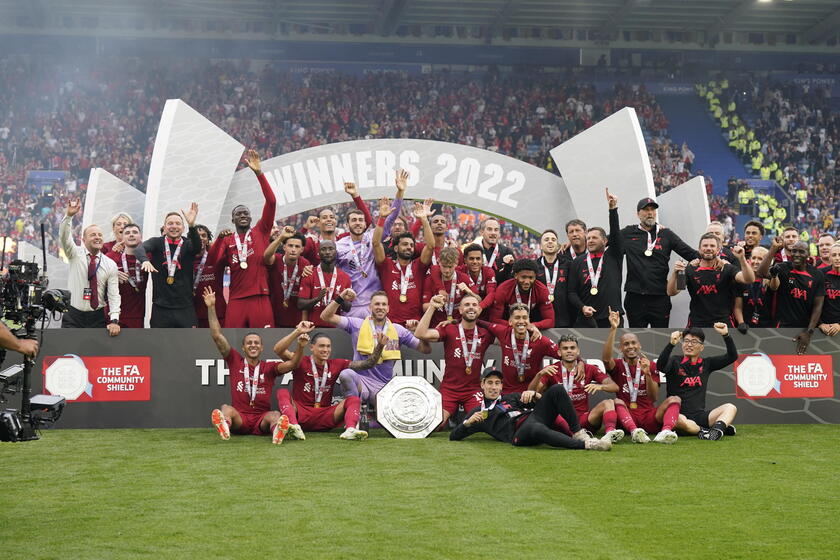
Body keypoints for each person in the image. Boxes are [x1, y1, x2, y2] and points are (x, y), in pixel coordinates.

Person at [204, 288, 307, 444]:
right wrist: (211, 308)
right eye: (249, 343)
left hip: (261, 418)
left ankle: (276, 431)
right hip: (240, 417)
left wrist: (300, 344)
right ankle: (225, 425)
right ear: (243, 348)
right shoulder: (234, 360)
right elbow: (217, 336)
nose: (253, 345)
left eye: (256, 343)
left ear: (261, 347)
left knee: (275, 415)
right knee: (226, 409)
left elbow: (293, 364)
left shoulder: (269, 368)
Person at [449, 368, 611, 451]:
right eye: (490, 383)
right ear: (482, 384)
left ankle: (578, 433)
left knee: (557, 390)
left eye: (497, 383)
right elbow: (453, 436)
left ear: (501, 385)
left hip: (533, 418)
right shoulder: (479, 412)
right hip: (518, 434)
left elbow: (541, 406)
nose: (493, 387)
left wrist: (535, 395)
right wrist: (468, 423)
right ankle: (587, 445)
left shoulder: (510, 397)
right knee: (534, 427)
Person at [273, 326, 387, 441]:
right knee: (282, 392)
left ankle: (350, 429)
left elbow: (368, 364)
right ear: (311, 347)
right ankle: (294, 427)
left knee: (353, 399)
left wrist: (380, 346)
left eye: (328, 346)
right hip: (301, 413)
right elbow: (278, 350)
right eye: (321, 346)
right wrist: (297, 332)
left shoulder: (337, 364)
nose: (326, 349)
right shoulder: (300, 360)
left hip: (326, 415)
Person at [320, 289, 432, 405]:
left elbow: (426, 350)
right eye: (377, 304)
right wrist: (341, 297)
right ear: (370, 307)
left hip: (383, 385)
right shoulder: (356, 324)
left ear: (388, 308)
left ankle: (371, 415)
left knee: (382, 417)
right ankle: (354, 412)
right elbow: (325, 316)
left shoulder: (398, 330)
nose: (380, 307)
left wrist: (420, 333)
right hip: (361, 381)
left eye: (384, 304)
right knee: (346, 374)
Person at [214, 149, 276, 328]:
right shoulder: (227, 240)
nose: (242, 215)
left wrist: (259, 174)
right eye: (238, 213)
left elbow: (271, 202)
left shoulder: (261, 231)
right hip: (236, 299)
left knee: (265, 343)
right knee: (232, 345)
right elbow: (214, 263)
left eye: (246, 213)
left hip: (260, 297)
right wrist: (218, 241)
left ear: (250, 217)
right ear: (232, 219)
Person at [415, 293, 495, 428]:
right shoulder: (449, 329)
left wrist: (531, 327)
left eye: (474, 305)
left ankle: (460, 420)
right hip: (450, 389)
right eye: (467, 305)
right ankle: (451, 419)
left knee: (481, 423)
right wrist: (432, 307)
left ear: (480, 310)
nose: (471, 308)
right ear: (460, 310)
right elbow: (420, 333)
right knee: (436, 425)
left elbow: (509, 335)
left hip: (473, 390)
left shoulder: (485, 333)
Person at [602, 309, 682, 444]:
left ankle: (665, 431)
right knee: (617, 402)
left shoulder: (649, 365)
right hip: (627, 417)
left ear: (639, 345)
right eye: (626, 344)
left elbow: (654, 398)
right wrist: (613, 329)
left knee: (675, 399)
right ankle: (634, 432)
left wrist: (648, 374)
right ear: (620, 348)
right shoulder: (617, 365)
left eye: (633, 343)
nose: (630, 346)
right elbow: (605, 359)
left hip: (649, 416)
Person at [528, 334, 622, 443]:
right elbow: (532, 392)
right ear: (559, 352)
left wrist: (600, 387)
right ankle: (572, 434)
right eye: (565, 348)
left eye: (572, 348)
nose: (569, 351)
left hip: (582, 419)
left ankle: (610, 434)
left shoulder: (589, 369)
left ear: (578, 351)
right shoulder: (551, 370)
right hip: (560, 420)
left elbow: (615, 387)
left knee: (608, 402)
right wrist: (539, 375)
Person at [621, 197, 698, 327]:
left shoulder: (666, 234)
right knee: (636, 338)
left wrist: (721, 256)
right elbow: (605, 241)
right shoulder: (628, 232)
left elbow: (691, 254)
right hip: (635, 297)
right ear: (638, 214)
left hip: (659, 297)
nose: (650, 213)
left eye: (653, 209)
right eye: (646, 210)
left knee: (660, 338)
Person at [335, 175, 403, 318]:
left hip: (373, 304)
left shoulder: (373, 236)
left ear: (366, 224)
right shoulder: (339, 246)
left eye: (361, 220)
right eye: (353, 220)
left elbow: (392, 216)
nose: (358, 223)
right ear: (347, 225)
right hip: (351, 305)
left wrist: (400, 192)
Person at [658, 324, 738, 441]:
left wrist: (726, 335)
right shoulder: (674, 360)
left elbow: (732, 356)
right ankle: (713, 430)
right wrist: (671, 344)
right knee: (680, 420)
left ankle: (716, 430)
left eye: (694, 341)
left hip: (700, 416)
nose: (689, 344)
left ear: (701, 347)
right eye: (686, 341)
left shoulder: (707, 364)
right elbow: (661, 366)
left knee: (730, 407)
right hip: (679, 415)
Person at [59, 198, 121, 335]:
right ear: (83, 240)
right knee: (70, 353)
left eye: (100, 235)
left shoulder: (110, 264)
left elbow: (113, 294)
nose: (97, 237)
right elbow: (64, 237)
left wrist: (114, 320)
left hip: (97, 317)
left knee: (94, 355)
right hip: (73, 315)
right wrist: (69, 216)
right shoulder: (74, 254)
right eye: (93, 235)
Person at [136, 204, 201, 327]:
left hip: (185, 308)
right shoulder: (157, 242)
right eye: (170, 223)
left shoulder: (187, 244)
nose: (174, 226)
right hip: (161, 308)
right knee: (160, 345)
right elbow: (140, 248)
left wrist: (192, 225)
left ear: (182, 228)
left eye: (178, 223)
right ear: (164, 227)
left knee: (187, 344)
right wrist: (144, 260)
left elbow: (197, 247)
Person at [668, 234, 754, 327]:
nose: (708, 248)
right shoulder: (690, 270)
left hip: (723, 323)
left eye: (712, 246)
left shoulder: (726, 268)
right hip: (697, 324)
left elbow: (748, 279)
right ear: (699, 249)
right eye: (705, 245)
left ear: (718, 249)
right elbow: (671, 292)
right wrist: (675, 273)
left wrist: (742, 259)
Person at [373, 197, 435, 325]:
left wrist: (424, 219)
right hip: (389, 324)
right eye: (405, 244)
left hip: (415, 323)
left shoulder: (418, 266)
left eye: (411, 245)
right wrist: (382, 218)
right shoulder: (386, 265)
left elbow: (430, 246)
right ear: (396, 248)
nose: (409, 247)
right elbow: (375, 243)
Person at [758, 238, 825, 354]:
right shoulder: (783, 268)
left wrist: (809, 332)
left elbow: (818, 306)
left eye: (801, 251)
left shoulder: (817, 275)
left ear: (808, 254)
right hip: (782, 326)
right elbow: (761, 273)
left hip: (805, 328)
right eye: (794, 251)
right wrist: (773, 249)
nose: (797, 255)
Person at [568, 189, 624, 327]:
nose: (590, 240)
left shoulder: (613, 255)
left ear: (605, 241)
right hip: (587, 317)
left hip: (612, 317)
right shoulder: (578, 262)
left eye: (594, 238)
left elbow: (616, 234)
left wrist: (612, 209)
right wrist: (582, 307)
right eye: (588, 238)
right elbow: (571, 292)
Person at [478, 303, 560, 394]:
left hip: (530, 393)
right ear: (510, 322)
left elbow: (563, 354)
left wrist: (579, 360)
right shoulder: (503, 332)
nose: (521, 321)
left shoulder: (539, 340)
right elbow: (484, 324)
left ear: (529, 321)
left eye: (524, 318)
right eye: (517, 318)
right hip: (507, 393)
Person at [300, 182, 376, 265]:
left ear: (335, 222)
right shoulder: (312, 243)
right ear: (318, 223)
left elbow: (366, 222)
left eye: (332, 217)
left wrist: (355, 195)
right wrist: (305, 228)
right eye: (324, 218)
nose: (329, 220)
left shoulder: (345, 238)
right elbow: (293, 247)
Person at [297, 240, 352, 328]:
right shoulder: (309, 274)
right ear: (318, 253)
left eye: (331, 249)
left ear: (336, 252)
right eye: (323, 249)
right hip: (313, 327)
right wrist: (317, 299)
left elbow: (347, 308)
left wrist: (340, 298)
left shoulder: (345, 277)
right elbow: (300, 304)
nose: (327, 252)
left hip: (336, 328)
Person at [487, 259, 554, 329]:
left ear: (535, 277)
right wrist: (514, 325)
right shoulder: (503, 289)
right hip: (508, 327)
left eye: (531, 278)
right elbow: (494, 320)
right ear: (516, 275)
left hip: (532, 328)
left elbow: (550, 321)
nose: (527, 281)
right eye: (523, 277)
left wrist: (533, 326)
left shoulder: (542, 290)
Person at [264, 228, 310, 327]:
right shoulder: (276, 259)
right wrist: (281, 238)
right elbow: (266, 256)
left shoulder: (305, 264)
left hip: (295, 319)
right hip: (273, 316)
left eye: (297, 246)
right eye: (290, 246)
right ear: (284, 247)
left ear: (302, 249)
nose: (293, 249)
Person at [422, 247, 479, 327]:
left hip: (458, 326)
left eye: (450, 267)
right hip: (437, 327)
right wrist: (434, 304)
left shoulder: (463, 278)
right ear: (439, 262)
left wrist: (469, 291)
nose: (447, 270)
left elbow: (479, 300)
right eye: (444, 266)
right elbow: (424, 307)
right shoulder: (431, 279)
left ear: (456, 263)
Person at [104, 223, 147, 328]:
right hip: (113, 315)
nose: (131, 235)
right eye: (127, 233)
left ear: (140, 237)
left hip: (137, 316)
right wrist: (112, 273)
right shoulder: (111, 257)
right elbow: (95, 277)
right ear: (122, 238)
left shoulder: (148, 257)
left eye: (135, 232)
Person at [192, 224, 226, 328]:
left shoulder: (215, 257)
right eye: (197, 236)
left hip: (218, 313)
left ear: (208, 239)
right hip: (194, 315)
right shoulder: (185, 259)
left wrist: (221, 238)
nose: (201, 238)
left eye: (204, 235)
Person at [536, 229, 572, 327]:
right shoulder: (534, 266)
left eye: (553, 239)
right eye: (546, 239)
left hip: (564, 320)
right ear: (541, 246)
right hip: (540, 318)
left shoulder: (568, 265)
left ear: (557, 245)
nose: (550, 241)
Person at [733, 246, 772, 331]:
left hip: (767, 327)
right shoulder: (741, 279)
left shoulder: (770, 281)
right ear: (749, 260)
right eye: (754, 258)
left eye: (760, 259)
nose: (756, 262)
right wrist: (741, 323)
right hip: (745, 326)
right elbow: (738, 307)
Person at [459, 243, 497, 313]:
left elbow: (491, 294)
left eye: (478, 258)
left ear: (482, 260)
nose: (475, 262)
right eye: (471, 259)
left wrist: (479, 307)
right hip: (465, 312)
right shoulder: (459, 271)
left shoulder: (488, 271)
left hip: (483, 311)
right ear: (465, 260)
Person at [478, 218, 515, 284]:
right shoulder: (473, 251)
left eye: (496, 230)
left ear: (499, 233)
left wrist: (509, 266)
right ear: (481, 232)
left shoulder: (507, 252)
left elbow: (512, 279)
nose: (493, 233)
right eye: (489, 229)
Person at [818, 243, 840, 336]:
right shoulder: (820, 274)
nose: (837, 258)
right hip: (823, 328)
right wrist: (820, 324)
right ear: (829, 258)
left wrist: (839, 324)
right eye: (834, 255)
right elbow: (812, 302)